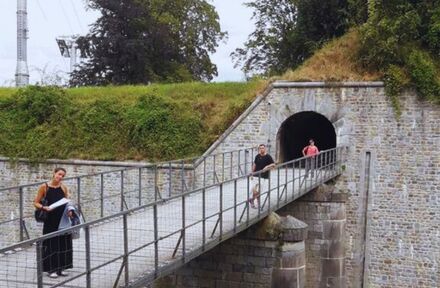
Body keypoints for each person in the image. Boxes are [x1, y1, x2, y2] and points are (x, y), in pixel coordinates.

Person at [34, 167, 73, 279]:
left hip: (62, 219)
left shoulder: (64, 187)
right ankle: (51, 269)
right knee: (51, 243)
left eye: (62, 176)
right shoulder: (44, 187)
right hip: (50, 219)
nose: (60, 177)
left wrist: (70, 210)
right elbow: (35, 202)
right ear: (54, 173)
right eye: (59, 174)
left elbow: (67, 202)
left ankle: (62, 267)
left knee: (63, 242)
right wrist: (43, 207)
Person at [249, 144, 275, 209]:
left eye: (262, 148)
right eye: (260, 148)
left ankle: (252, 200)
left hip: (264, 176)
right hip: (256, 175)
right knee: (254, 190)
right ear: (259, 149)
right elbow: (254, 164)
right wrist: (252, 173)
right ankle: (253, 202)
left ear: (265, 148)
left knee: (259, 191)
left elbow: (273, 165)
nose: (261, 149)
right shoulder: (257, 156)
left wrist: (267, 166)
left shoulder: (268, 156)